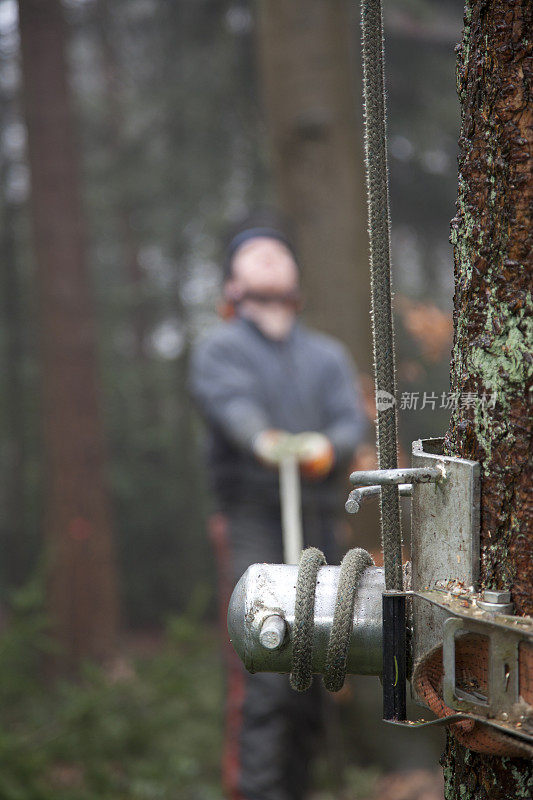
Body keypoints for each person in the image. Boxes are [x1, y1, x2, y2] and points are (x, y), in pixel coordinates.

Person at [190, 213, 367, 800]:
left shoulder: (326, 356)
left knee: (313, 673)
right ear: (232, 280)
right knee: (262, 663)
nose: (268, 255)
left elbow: (350, 420)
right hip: (253, 520)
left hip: (317, 519)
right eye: (252, 250)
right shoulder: (221, 349)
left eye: (277, 249)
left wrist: (329, 447)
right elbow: (233, 408)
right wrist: (265, 440)